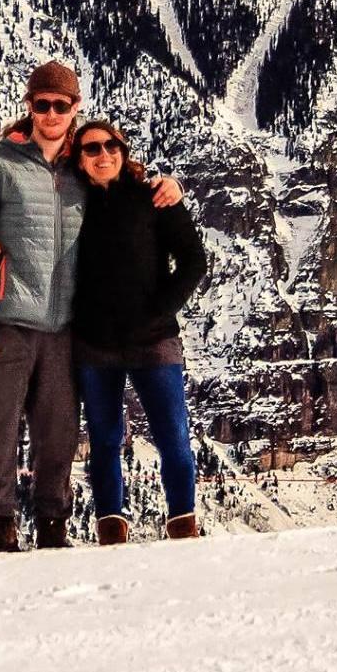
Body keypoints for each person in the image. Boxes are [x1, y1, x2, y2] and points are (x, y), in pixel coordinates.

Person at [0, 62, 180, 553]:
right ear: (30, 106)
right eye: (42, 104)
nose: (52, 113)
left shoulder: (83, 168)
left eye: (62, 105)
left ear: (75, 109)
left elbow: (126, 192)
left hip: (66, 328)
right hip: (7, 320)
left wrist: (173, 188)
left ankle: (53, 524)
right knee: (1, 430)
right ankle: (1, 526)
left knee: (58, 433)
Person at [70, 114, 209, 542]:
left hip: (154, 339)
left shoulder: (153, 198)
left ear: (123, 153)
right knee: (105, 439)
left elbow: (193, 259)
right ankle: (111, 524)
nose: (103, 155)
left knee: (173, 434)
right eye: (91, 148)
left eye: (111, 146)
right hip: (96, 343)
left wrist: (159, 309)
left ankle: (182, 520)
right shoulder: (68, 203)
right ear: (78, 159)